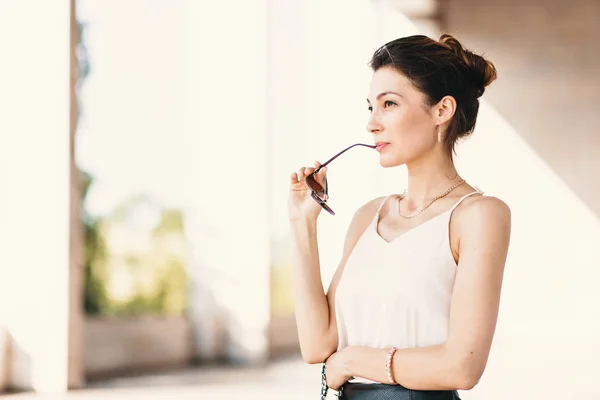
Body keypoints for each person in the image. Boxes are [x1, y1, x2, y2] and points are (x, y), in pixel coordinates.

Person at [287, 33, 512, 400]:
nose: (372, 124)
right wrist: (302, 222)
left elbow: (462, 368)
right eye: (370, 107)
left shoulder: (479, 215)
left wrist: (353, 361)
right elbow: (316, 346)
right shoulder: (367, 216)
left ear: (442, 110)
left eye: (388, 104)